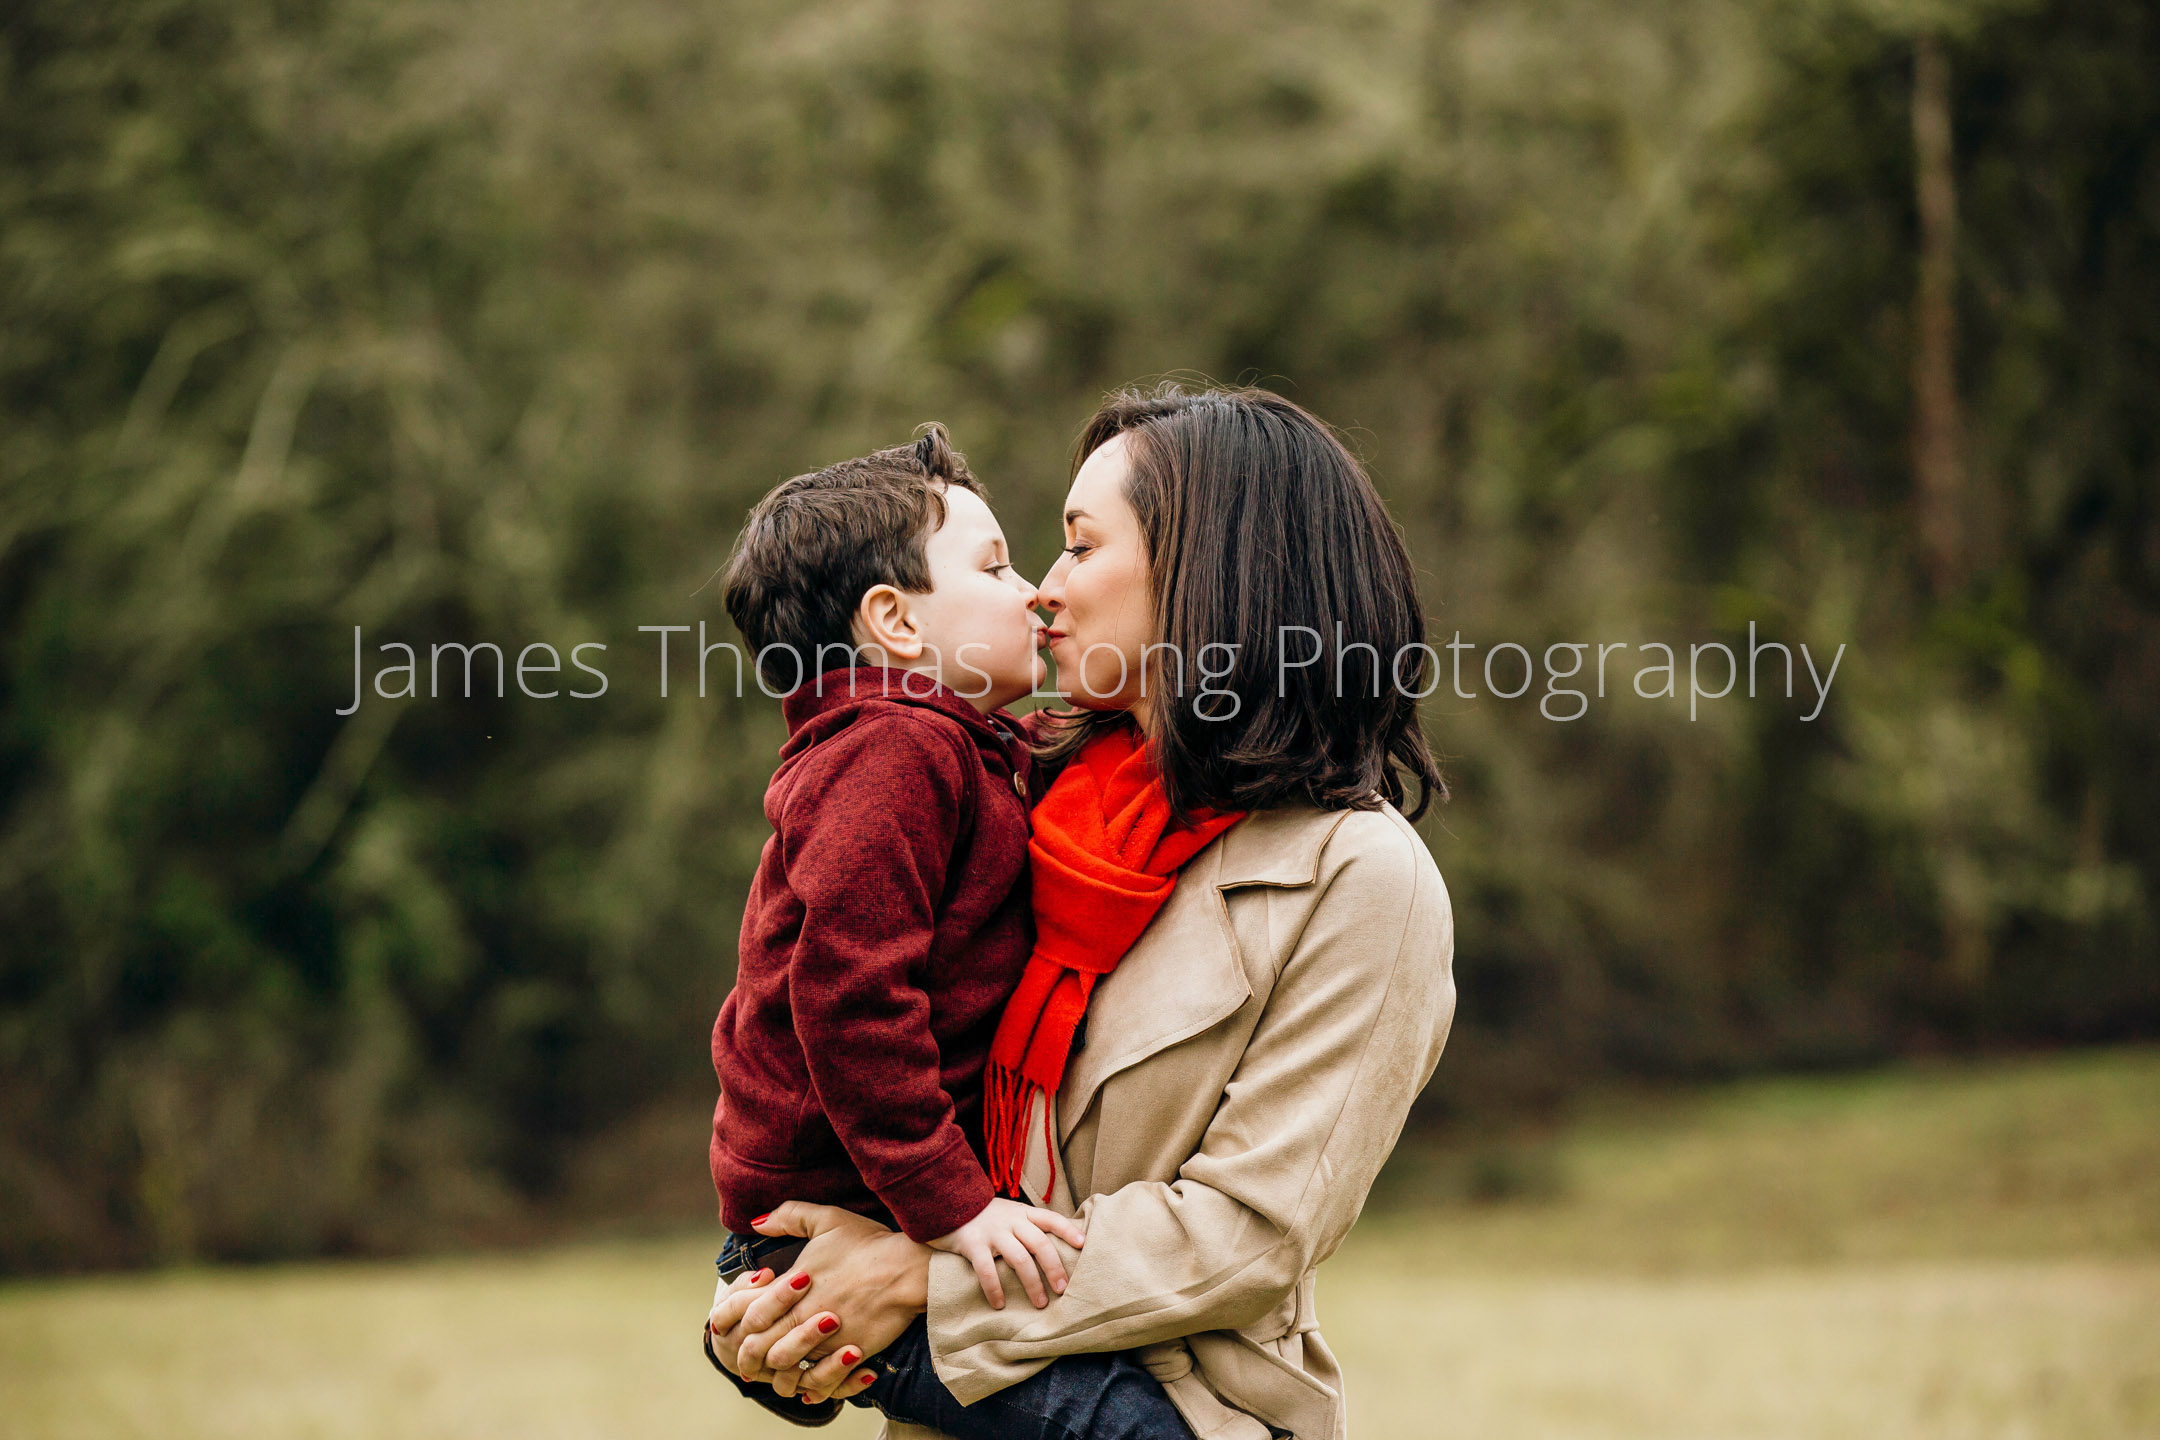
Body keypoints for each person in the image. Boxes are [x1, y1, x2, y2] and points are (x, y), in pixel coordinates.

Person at [706, 383, 1459, 1440]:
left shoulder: (1361, 880)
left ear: (1212, 571)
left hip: (1178, 1410)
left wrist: (918, 1279)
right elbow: (826, 1020)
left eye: (1077, 546)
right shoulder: (1023, 801)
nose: (1043, 591)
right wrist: (778, 1300)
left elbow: (1245, 1235)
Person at [706, 425, 1195, 1438]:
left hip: (871, 1217)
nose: (1032, 592)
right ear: (893, 621)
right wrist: (956, 1212)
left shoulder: (953, 747)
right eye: (996, 565)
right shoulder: (892, 753)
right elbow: (850, 997)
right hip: (834, 1231)